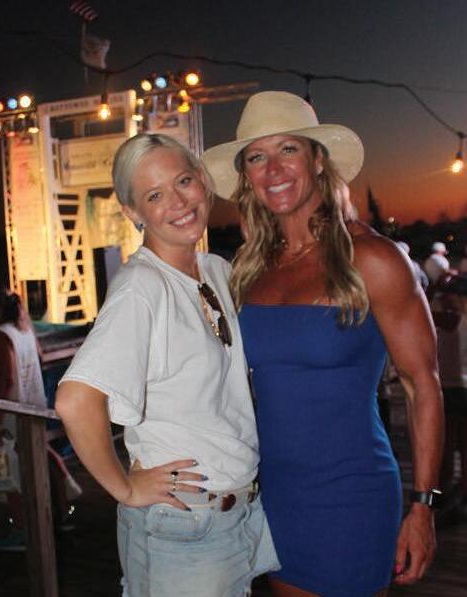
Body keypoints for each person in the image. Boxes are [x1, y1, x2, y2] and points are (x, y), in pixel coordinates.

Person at [202, 91, 444, 597]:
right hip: (273, 494)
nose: (273, 169)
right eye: (256, 157)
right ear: (247, 176)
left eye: (287, 149)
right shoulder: (251, 269)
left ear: (317, 160)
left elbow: (423, 385)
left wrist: (423, 505)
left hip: (351, 495)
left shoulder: (373, 259)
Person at [55, 133, 279, 597]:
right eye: (154, 196)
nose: (177, 202)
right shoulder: (141, 289)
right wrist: (125, 487)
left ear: (203, 181)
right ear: (133, 212)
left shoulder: (215, 270)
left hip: (235, 516)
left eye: (183, 181)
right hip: (184, 528)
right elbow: (75, 400)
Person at [0, 285, 81, 551]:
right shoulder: (25, 329)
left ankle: (22, 529)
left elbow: (7, 380)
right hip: (34, 402)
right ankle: (64, 509)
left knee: (9, 469)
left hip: (13, 411)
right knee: (43, 452)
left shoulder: (0, 336)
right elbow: (38, 360)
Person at [431, 276, 467, 514]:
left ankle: (442, 493)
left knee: (446, 444)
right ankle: (461, 491)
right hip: (460, 386)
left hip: (450, 387)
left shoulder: (449, 318)